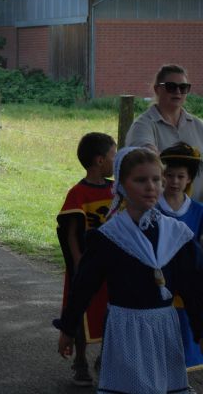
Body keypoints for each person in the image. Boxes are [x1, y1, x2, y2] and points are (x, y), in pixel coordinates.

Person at [57, 147, 203, 394]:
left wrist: (200, 330)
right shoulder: (109, 237)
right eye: (140, 180)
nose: (151, 187)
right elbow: (83, 286)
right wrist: (68, 329)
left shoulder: (176, 234)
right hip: (126, 331)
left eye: (156, 179)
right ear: (122, 185)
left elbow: (194, 287)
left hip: (165, 330)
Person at [55, 132, 116, 387]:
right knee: (80, 312)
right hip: (86, 265)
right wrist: (79, 261)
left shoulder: (117, 189)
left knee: (112, 311)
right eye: (114, 154)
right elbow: (71, 233)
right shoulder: (78, 193)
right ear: (100, 160)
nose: (117, 159)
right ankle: (80, 360)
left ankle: (107, 356)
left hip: (112, 266)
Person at [126, 64, 203, 202]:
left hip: (197, 213)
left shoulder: (199, 125)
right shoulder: (143, 125)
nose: (178, 91)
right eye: (171, 87)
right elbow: (146, 158)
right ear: (157, 89)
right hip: (159, 212)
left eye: (183, 87)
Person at [158, 142, 203, 372]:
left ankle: (180, 382)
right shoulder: (152, 207)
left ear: (189, 179)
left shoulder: (198, 210)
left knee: (184, 334)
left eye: (181, 176)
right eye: (170, 175)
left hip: (188, 282)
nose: (174, 181)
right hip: (159, 281)